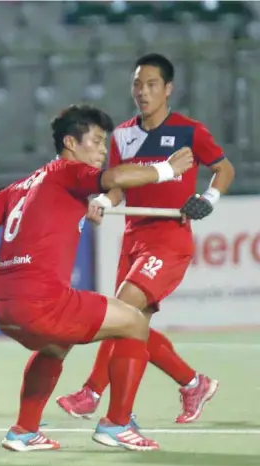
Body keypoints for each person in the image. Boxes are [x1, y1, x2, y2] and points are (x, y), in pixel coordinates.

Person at [0, 104, 194, 452]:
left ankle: (24, 431)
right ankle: (117, 425)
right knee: (133, 321)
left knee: (56, 344)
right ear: (71, 143)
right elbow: (116, 178)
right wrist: (167, 169)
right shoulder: (68, 171)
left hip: (1, 306)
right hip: (41, 302)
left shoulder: (25, 183)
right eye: (97, 141)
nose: (103, 151)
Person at [56, 53, 235, 425]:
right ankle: (192, 383)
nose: (143, 91)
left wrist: (207, 200)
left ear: (168, 89)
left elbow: (224, 169)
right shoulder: (122, 134)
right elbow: (119, 187)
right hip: (132, 237)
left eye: (152, 84)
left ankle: (93, 394)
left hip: (169, 239)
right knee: (132, 328)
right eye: (138, 84)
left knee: (119, 314)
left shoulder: (190, 131)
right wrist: (104, 200)